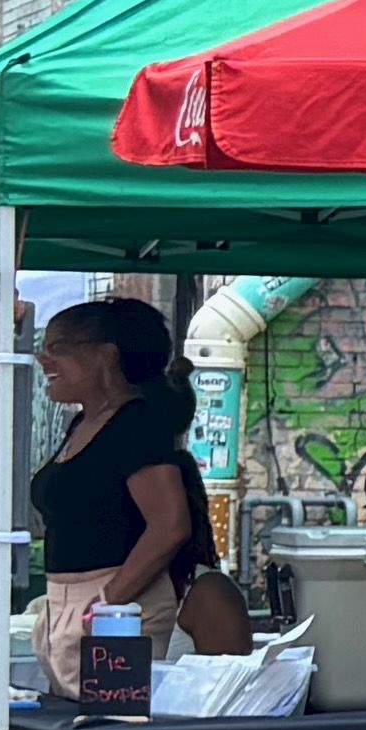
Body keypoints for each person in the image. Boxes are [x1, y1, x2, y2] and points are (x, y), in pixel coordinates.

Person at [30, 297, 224, 694]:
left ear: (106, 355)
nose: (43, 360)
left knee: (107, 729)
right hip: (71, 603)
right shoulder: (85, 421)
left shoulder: (136, 424)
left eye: (57, 349)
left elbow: (170, 525)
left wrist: (107, 601)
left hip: (116, 607)